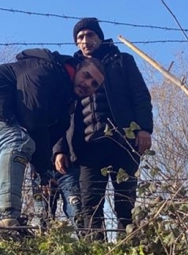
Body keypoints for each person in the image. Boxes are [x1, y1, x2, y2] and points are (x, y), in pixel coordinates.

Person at [0, 48, 105, 227]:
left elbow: (50, 133)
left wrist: (43, 168)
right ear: (77, 67)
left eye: (94, 84)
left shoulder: (65, 97)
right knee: (18, 142)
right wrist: (43, 169)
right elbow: (32, 117)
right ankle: (9, 217)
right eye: (86, 76)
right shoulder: (46, 70)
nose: (88, 84)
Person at [53, 18, 154, 240]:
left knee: (125, 203)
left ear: (99, 37)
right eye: (80, 37)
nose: (85, 40)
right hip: (87, 148)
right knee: (90, 205)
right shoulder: (72, 68)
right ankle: (96, 253)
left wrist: (144, 129)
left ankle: (127, 250)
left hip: (123, 142)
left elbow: (140, 96)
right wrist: (60, 149)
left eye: (90, 35)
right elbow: (61, 109)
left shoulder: (122, 61)